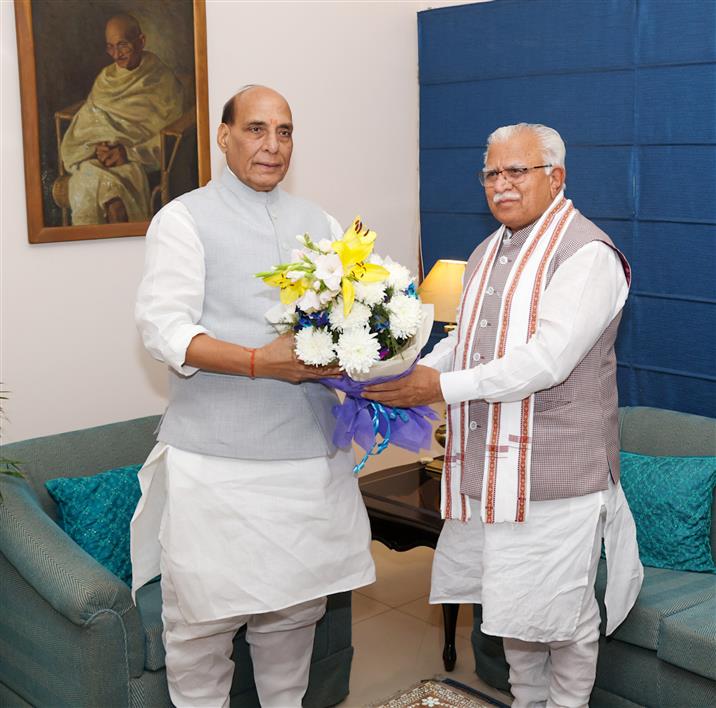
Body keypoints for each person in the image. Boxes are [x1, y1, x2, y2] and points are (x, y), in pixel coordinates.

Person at [365, 123, 643, 708]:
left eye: (517, 171)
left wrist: (439, 386)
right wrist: (394, 371)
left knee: (564, 620)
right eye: (491, 173)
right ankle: (525, 701)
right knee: (515, 611)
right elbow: (464, 343)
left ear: (556, 177)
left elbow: (546, 360)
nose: (501, 184)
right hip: (495, 476)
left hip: (557, 480)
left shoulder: (588, 255)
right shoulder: (487, 250)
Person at [131, 85, 375, 707]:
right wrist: (255, 362)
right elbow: (164, 330)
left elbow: (340, 324)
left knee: (293, 617)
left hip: (306, 463)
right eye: (257, 129)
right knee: (201, 626)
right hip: (217, 466)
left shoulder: (319, 224)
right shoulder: (183, 219)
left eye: (285, 131)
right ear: (224, 135)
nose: (272, 145)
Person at [60, 13, 184, 224]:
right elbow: (88, 123)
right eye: (110, 47)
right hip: (94, 160)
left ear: (141, 41)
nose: (116, 54)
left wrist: (128, 153)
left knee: (116, 206)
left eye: (123, 45)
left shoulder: (162, 79)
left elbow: (169, 136)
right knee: (89, 182)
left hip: (133, 161)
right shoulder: (105, 78)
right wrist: (95, 147)